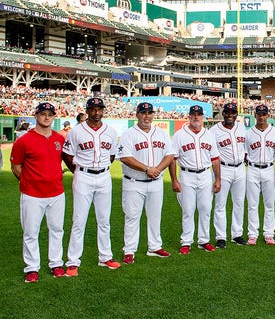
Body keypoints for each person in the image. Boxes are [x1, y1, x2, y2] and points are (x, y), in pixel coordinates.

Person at [63, 98, 120, 277]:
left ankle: (105, 257)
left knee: (104, 220)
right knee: (79, 220)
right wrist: (79, 172)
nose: (97, 112)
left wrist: (100, 168)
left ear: (103, 111)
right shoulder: (76, 131)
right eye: (93, 109)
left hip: (104, 176)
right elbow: (67, 155)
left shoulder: (110, 131)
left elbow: (111, 156)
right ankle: (72, 261)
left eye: (99, 109)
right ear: (87, 111)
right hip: (83, 176)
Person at [10, 102, 66, 283]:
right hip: (32, 194)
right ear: (36, 116)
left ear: (54, 117)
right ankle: (32, 268)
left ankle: (56, 263)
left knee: (57, 229)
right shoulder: (24, 140)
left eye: (50, 114)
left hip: (56, 193)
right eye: (43, 114)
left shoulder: (59, 138)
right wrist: (29, 182)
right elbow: (16, 166)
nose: (47, 117)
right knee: (30, 232)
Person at [116, 102, 175, 264]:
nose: (147, 116)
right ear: (137, 115)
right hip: (134, 182)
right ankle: (129, 250)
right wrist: (147, 168)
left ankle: (155, 247)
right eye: (143, 112)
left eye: (150, 112)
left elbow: (169, 155)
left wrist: (156, 170)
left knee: (155, 216)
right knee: (132, 216)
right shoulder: (129, 134)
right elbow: (125, 157)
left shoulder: (162, 133)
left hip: (155, 181)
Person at [169, 105, 222, 254]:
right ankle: (186, 241)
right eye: (193, 114)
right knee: (188, 209)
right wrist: (174, 180)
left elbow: (215, 159)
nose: (196, 117)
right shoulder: (180, 135)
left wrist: (218, 179)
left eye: (199, 114)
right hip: (187, 175)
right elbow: (173, 159)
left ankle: (203, 240)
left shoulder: (209, 135)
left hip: (205, 174)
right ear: (189, 117)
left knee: (205, 208)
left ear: (202, 117)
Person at [210, 102, 247, 248]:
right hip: (223, 169)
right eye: (227, 112)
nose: (230, 115)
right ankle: (221, 237)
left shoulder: (242, 128)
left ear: (236, 114)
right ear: (223, 113)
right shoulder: (214, 131)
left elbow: (244, 148)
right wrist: (217, 176)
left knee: (239, 203)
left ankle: (237, 234)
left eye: (233, 112)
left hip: (240, 168)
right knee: (220, 204)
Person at [245, 104, 275, 245]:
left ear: (268, 115)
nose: (261, 117)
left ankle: (269, 233)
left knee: (269, 204)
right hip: (252, 169)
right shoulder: (248, 133)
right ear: (255, 116)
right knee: (252, 204)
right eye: (259, 114)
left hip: (269, 168)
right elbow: (245, 154)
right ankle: (252, 234)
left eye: (263, 114)